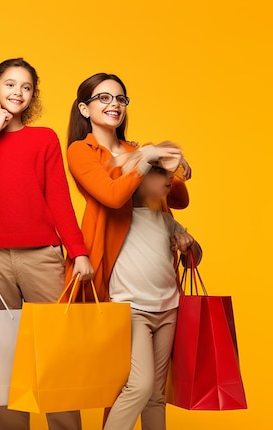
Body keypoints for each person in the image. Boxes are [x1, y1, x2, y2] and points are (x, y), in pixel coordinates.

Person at [0, 58, 94, 430]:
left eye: (26, 87)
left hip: (42, 257)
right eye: (11, 84)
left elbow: (59, 200)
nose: (18, 92)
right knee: (0, 361)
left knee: (55, 357)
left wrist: (77, 252)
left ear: (32, 96)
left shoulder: (43, 138)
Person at [65, 73, 198, 430]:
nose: (114, 104)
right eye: (104, 97)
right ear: (85, 108)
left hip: (165, 295)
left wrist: (176, 167)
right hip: (124, 295)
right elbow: (112, 195)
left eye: (121, 98)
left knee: (155, 394)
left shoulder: (139, 149)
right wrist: (146, 158)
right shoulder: (82, 151)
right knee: (136, 386)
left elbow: (178, 200)